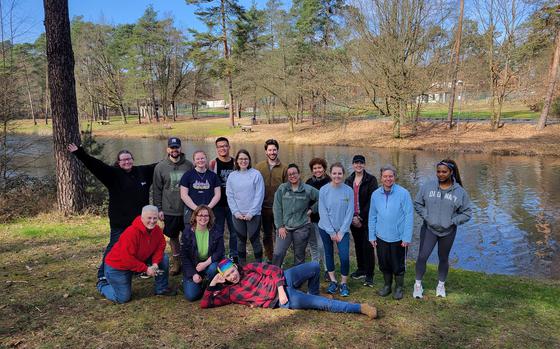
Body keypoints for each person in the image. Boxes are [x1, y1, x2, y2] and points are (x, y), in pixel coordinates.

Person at [67, 142, 157, 284]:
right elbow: (95, 165)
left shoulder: (143, 172)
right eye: (123, 160)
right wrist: (80, 153)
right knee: (115, 246)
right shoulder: (112, 175)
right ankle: (103, 274)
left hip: (139, 222)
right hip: (120, 222)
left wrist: (173, 156)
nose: (127, 162)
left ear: (132, 160)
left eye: (129, 159)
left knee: (137, 246)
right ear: (119, 162)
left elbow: (161, 166)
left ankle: (135, 269)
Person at [200, 259, 378, 319]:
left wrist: (280, 288)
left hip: (283, 280)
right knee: (320, 303)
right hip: (281, 300)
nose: (233, 276)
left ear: (235, 267)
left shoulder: (248, 268)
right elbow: (205, 304)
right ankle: (360, 308)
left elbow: (274, 270)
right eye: (228, 275)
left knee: (315, 266)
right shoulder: (230, 293)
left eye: (233, 271)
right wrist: (212, 283)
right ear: (224, 277)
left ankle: (312, 292)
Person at [413, 159, 472, 298]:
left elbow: (467, 213)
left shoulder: (460, 192)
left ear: (451, 172)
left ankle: (441, 285)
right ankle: (417, 285)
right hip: (429, 229)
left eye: (444, 172)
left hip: (448, 231)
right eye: (438, 171)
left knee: (443, 258)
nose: (440, 174)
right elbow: (417, 203)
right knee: (422, 256)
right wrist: (427, 216)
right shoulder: (428, 186)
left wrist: (453, 221)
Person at [97, 205, 176, 303]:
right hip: (118, 266)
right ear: (142, 217)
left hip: (138, 260)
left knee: (163, 258)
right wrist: (146, 269)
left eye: (155, 218)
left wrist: (155, 263)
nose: (152, 221)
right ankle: (102, 284)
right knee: (122, 298)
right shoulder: (131, 233)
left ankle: (161, 288)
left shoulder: (157, 230)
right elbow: (127, 259)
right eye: (149, 218)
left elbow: (160, 246)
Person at [368, 165, 413, 300]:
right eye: (385, 176)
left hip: (398, 238)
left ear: (395, 177)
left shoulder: (403, 193)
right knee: (384, 263)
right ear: (381, 178)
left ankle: (399, 287)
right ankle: (387, 286)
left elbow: (409, 216)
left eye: (390, 176)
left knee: (398, 264)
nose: (388, 179)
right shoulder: (375, 194)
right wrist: (371, 235)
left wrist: (406, 237)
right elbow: (372, 216)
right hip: (381, 236)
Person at [153, 137, 193, 276]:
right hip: (170, 209)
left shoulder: (189, 165)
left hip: (187, 209)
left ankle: (189, 261)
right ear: (168, 149)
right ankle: (176, 262)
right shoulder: (160, 167)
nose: (174, 150)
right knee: (173, 237)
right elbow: (157, 189)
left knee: (188, 237)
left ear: (180, 149)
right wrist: (159, 208)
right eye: (172, 147)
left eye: (177, 147)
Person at [272, 164, 319, 267]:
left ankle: (298, 280)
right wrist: (280, 226)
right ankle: (274, 276)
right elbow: (277, 208)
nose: (292, 176)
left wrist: (312, 209)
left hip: (302, 227)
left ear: (299, 174)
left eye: (294, 173)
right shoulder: (282, 189)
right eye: (289, 174)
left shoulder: (308, 189)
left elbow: (322, 198)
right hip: (285, 228)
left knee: (299, 255)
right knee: (278, 253)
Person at [318, 162, 354, 297]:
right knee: (328, 254)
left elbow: (350, 212)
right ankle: (333, 281)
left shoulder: (348, 191)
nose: (337, 176)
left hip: (342, 231)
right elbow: (323, 212)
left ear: (343, 174)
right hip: (325, 229)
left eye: (339, 173)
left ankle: (344, 283)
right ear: (330, 174)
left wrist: (342, 231)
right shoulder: (324, 190)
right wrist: (331, 232)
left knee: (344, 257)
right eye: (334, 173)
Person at [226, 149, 265, 265]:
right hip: (237, 215)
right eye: (241, 159)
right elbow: (230, 195)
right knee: (240, 241)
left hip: (253, 214)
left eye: (246, 159)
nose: (243, 161)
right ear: (236, 161)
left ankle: (259, 265)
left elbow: (259, 194)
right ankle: (242, 266)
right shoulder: (232, 176)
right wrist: (235, 212)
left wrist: (251, 213)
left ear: (249, 160)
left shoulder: (256, 174)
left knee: (255, 240)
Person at [344, 155, 378, 288]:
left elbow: (372, 200)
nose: (358, 165)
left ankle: (369, 275)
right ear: (353, 165)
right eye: (356, 163)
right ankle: (361, 269)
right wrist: (352, 217)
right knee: (358, 245)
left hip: (366, 218)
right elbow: (346, 200)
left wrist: (361, 217)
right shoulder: (348, 180)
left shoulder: (371, 180)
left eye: (361, 163)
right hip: (352, 218)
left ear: (364, 165)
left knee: (368, 246)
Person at [181, 205, 225, 301]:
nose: (203, 218)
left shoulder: (216, 230)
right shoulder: (187, 232)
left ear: (210, 217)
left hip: (209, 264)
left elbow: (220, 251)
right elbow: (184, 257)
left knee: (213, 268)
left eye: (206, 215)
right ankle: (200, 282)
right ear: (195, 217)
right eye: (200, 215)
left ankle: (211, 284)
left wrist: (205, 264)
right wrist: (193, 274)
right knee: (191, 296)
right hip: (194, 266)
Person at [255, 139, 288, 262]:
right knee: (267, 234)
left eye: (274, 149)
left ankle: (279, 259)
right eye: (270, 150)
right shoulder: (259, 167)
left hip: (279, 208)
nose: (272, 152)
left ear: (277, 150)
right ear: (266, 152)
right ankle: (269, 258)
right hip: (263, 207)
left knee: (281, 234)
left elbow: (287, 189)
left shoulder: (284, 168)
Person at [209, 137, 238, 263]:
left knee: (234, 232)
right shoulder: (212, 164)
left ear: (229, 147)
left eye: (225, 146)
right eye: (220, 146)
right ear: (217, 149)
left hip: (233, 204)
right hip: (218, 205)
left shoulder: (236, 162)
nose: (223, 148)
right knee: (218, 231)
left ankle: (234, 255)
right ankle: (219, 255)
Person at [305, 158, 331, 280]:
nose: (317, 170)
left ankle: (327, 269)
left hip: (324, 219)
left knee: (322, 245)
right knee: (313, 245)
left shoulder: (329, 181)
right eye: (315, 168)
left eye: (319, 167)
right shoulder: (308, 182)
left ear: (324, 168)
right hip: (311, 219)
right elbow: (305, 200)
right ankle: (314, 267)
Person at [180, 150, 221, 222]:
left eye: (202, 158)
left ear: (206, 159)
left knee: (209, 232)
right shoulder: (187, 175)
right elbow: (184, 195)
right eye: (197, 159)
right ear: (194, 161)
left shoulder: (213, 176)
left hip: (209, 211)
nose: (200, 160)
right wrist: (197, 209)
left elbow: (217, 194)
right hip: (191, 211)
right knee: (191, 232)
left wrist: (207, 208)